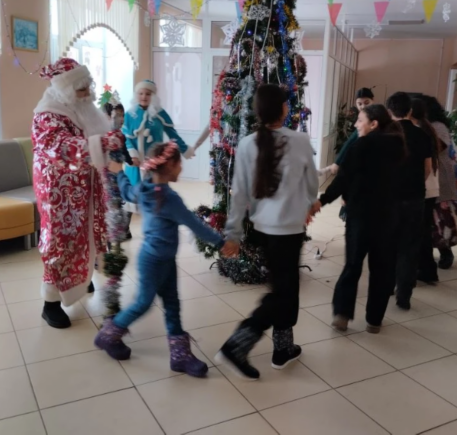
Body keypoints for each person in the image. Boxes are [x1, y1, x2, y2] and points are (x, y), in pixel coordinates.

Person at [94, 142, 236, 377]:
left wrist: (119, 174)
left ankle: (180, 356)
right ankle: (108, 335)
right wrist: (221, 244)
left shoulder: (144, 187)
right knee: (143, 303)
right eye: (179, 164)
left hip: (163, 259)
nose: (181, 168)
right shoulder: (169, 198)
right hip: (154, 261)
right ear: (169, 165)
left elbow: (127, 192)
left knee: (172, 303)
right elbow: (196, 225)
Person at [216, 84, 319, 380]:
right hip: (289, 229)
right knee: (282, 293)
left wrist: (234, 233)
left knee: (284, 288)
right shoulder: (299, 140)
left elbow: (239, 194)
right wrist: (310, 202)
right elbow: (311, 183)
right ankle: (238, 344)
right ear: (284, 109)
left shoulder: (248, 144)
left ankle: (283, 348)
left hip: (264, 229)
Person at [32, 58, 124, 328]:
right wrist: (104, 143)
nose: (87, 94)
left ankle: (80, 280)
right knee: (60, 242)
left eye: (88, 88)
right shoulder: (47, 114)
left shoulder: (81, 106)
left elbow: (94, 139)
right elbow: (62, 147)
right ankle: (50, 303)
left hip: (87, 186)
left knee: (89, 235)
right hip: (59, 192)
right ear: (64, 89)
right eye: (81, 89)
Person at [313, 105, 405, 333]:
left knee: (353, 265)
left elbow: (343, 178)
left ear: (374, 124)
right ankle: (374, 320)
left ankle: (342, 315)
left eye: (360, 120)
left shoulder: (362, 144)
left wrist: (322, 201)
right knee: (381, 269)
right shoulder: (399, 146)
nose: (356, 124)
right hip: (389, 216)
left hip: (361, 215)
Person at [122, 80, 195, 237]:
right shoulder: (129, 114)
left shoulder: (160, 113)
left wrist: (185, 149)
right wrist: (131, 154)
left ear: (153, 96)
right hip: (135, 162)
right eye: (141, 93)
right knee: (132, 193)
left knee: (156, 194)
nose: (144, 97)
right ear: (136, 95)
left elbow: (172, 135)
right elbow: (125, 137)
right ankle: (124, 229)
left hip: (155, 163)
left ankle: (157, 228)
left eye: (148, 94)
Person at [386, 92, 433, 310]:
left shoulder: (385, 133)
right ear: (410, 110)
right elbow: (427, 168)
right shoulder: (422, 134)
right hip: (415, 197)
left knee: (387, 244)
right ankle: (404, 295)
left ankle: (386, 286)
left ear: (390, 111)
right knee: (409, 246)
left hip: (388, 198)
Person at [421, 95, 457, 269]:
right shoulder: (422, 125)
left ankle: (445, 251)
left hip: (440, 174)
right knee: (427, 218)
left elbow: (438, 146)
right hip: (426, 174)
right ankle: (426, 254)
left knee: (441, 216)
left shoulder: (439, 126)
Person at [410, 99, 444, 284]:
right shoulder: (426, 128)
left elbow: (426, 167)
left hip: (423, 189)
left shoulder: (419, 131)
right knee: (423, 231)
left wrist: (416, 186)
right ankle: (427, 270)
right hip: (430, 189)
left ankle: (426, 270)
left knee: (420, 232)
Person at [320, 87, 375, 177]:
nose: (363, 107)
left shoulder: (377, 116)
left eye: (366, 103)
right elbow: (350, 141)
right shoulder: (362, 116)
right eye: (359, 104)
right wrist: (337, 163)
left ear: (373, 100)